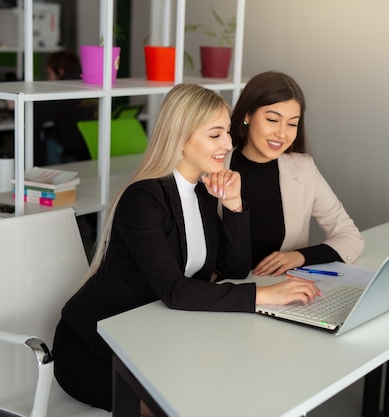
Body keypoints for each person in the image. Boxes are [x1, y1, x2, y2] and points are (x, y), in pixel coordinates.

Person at [52, 83, 322, 414]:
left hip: (155, 334)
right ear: (181, 139)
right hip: (97, 346)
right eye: (216, 135)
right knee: (185, 405)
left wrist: (235, 205)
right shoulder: (144, 198)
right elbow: (174, 290)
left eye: (227, 132)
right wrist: (265, 296)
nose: (229, 143)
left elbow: (234, 269)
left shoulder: (202, 193)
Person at [228, 71, 365, 277]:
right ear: (247, 115)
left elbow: (349, 236)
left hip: (283, 289)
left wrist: (299, 256)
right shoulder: (214, 165)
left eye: (292, 123)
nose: (282, 134)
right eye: (273, 120)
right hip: (223, 292)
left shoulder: (303, 168)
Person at [33, 51, 96, 165]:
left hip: (73, 151)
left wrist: (11, 106)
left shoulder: (63, 90)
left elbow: (33, 116)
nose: (48, 79)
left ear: (60, 70)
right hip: (93, 149)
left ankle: (47, 178)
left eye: (49, 74)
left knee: (48, 140)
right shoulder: (90, 82)